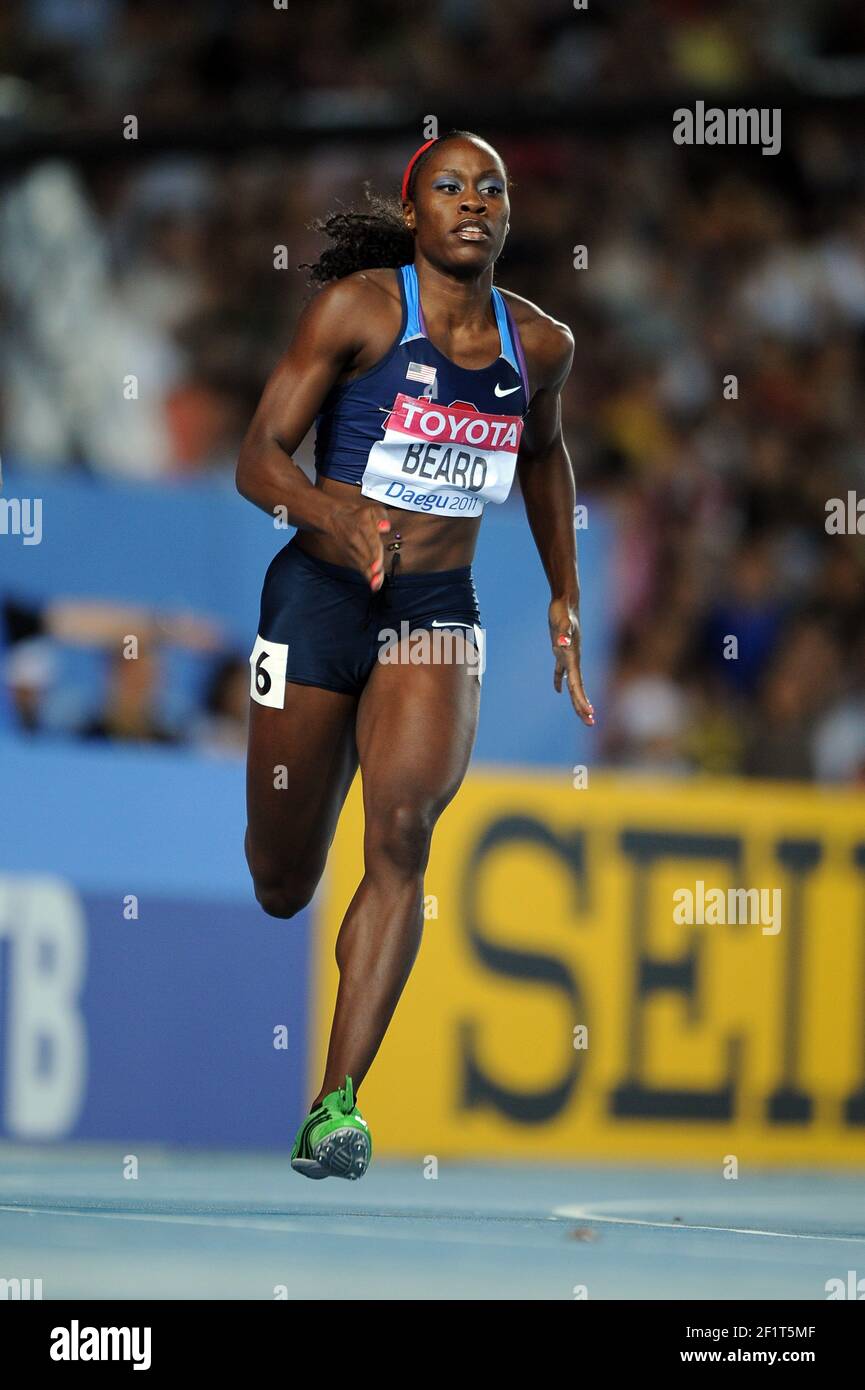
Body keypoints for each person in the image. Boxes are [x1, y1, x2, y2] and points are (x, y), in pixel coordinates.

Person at [236, 130, 594, 1180]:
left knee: (401, 832)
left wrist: (564, 592)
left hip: (433, 609)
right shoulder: (357, 312)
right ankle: (303, 816)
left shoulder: (542, 347)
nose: (473, 201)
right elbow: (255, 456)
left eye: (491, 188)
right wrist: (328, 516)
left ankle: (335, 1102)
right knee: (280, 879)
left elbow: (546, 454)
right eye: (449, 186)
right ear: (414, 214)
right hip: (317, 596)